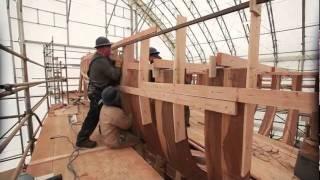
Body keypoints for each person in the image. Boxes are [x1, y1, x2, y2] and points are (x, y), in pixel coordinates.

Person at [76, 37, 121, 148]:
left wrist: (112, 61)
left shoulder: (97, 58)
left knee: (100, 113)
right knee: (93, 116)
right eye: (109, 47)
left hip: (94, 91)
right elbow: (115, 76)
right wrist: (118, 64)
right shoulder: (101, 61)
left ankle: (103, 131)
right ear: (103, 48)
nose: (111, 50)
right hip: (97, 93)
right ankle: (82, 139)